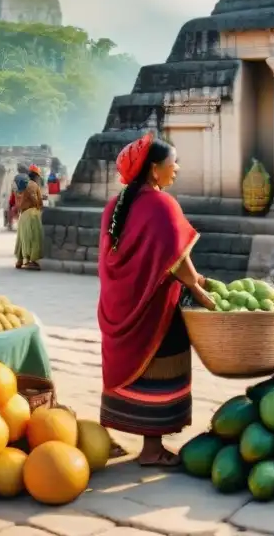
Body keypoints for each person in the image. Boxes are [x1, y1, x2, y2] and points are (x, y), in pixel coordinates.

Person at [97, 133, 215, 467]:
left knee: (131, 372)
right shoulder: (161, 204)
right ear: (153, 169)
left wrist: (196, 280)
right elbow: (175, 256)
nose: (176, 168)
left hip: (121, 303)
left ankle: (113, 435)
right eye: (171, 163)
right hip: (155, 310)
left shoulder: (116, 206)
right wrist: (197, 286)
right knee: (159, 369)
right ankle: (152, 450)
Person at [14, 166, 45, 270]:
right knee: (34, 237)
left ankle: (19, 260)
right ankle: (32, 261)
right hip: (32, 213)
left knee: (21, 238)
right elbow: (37, 200)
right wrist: (40, 207)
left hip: (22, 215)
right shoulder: (33, 185)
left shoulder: (21, 184)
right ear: (36, 176)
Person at [5, 164, 29, 231]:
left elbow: (13, 187)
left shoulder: (16, 177)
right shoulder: (28, 177)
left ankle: (9, 224)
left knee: (10, 206)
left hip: (17, 195)